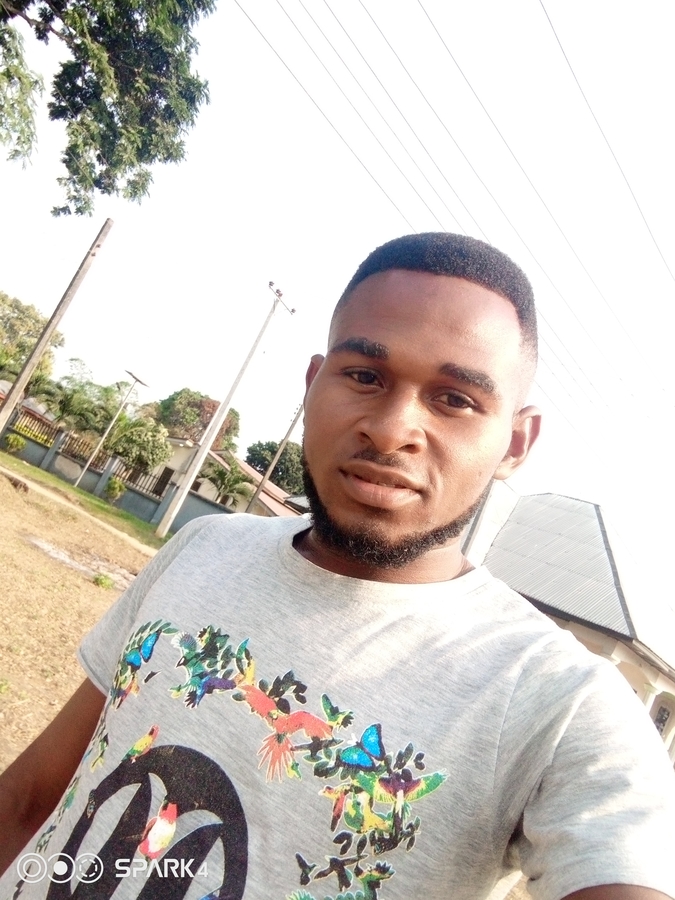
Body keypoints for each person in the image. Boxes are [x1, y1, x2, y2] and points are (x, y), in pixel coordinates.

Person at [0, 232, 673, 900]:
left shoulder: (558, 702)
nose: (392, 429)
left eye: (455, 399)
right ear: (312, 384)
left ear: (515, 443)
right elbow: (32, 798)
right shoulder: (202, 548)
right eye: (365, 376)